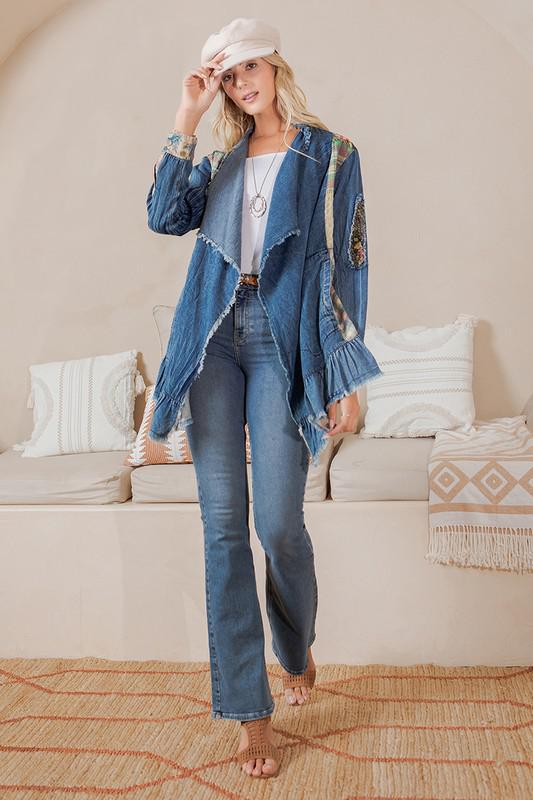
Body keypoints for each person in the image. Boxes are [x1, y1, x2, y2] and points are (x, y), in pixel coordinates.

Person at [146, 16, 383, 779]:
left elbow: (347, 262)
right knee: (222, 530)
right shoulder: (217, 163)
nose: (244, 84)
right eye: (229, 76)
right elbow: (161, 216)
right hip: (213, 339)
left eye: (252, 69)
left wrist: (340, 373)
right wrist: (185, 116)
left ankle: (295, 647)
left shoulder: (329, 153)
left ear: (275, 69)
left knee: (279, 524)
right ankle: (250, 716)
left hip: (282, 340)